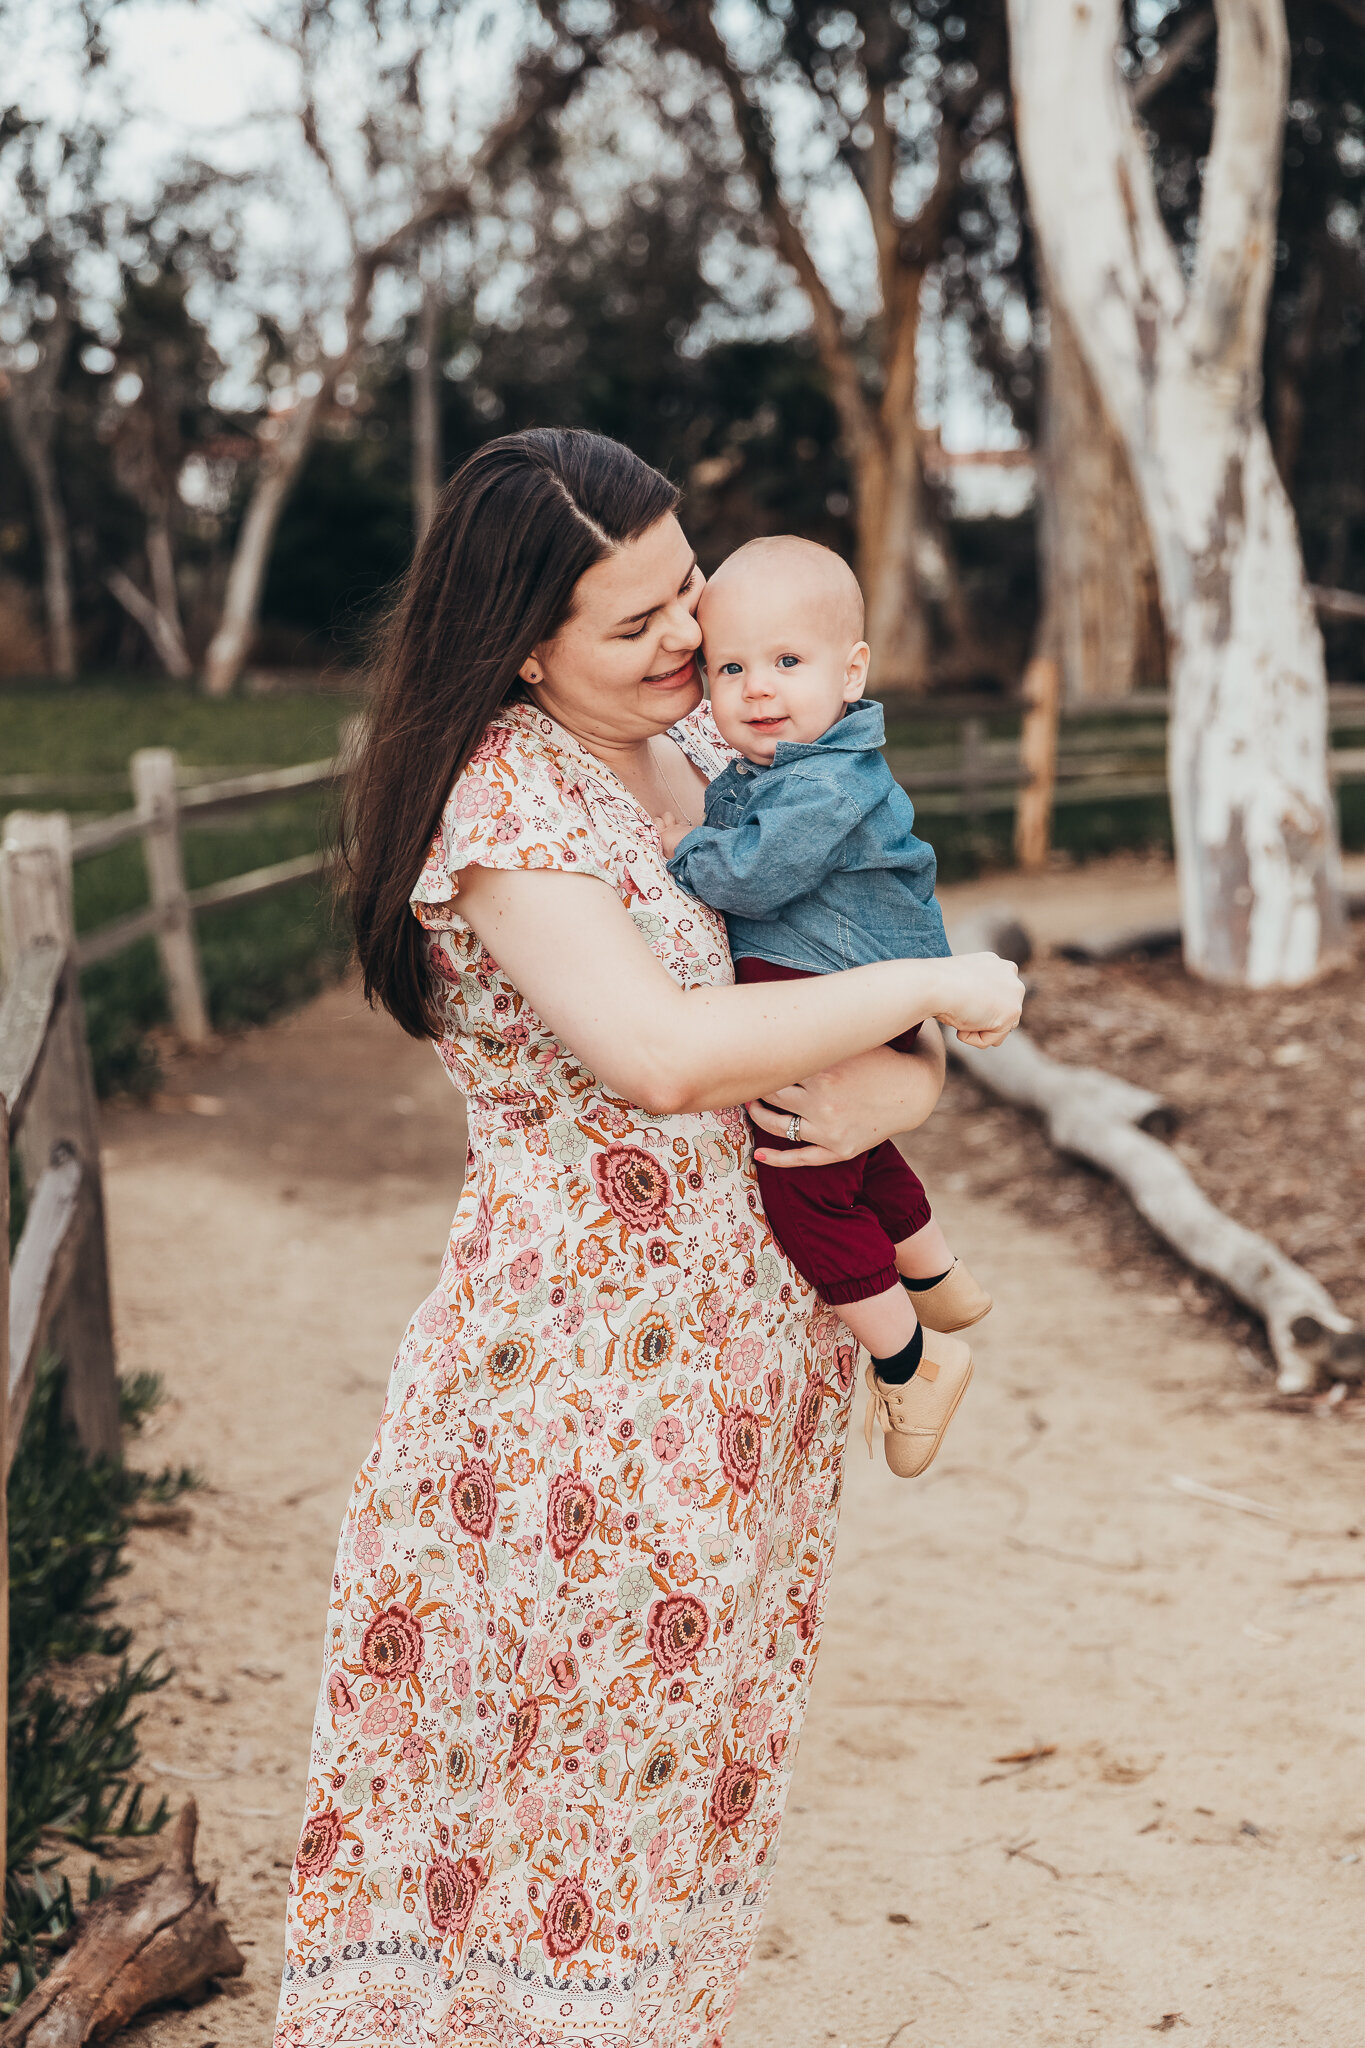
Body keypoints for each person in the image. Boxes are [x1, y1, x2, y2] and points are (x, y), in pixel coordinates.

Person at [275, 428, 1022, 2048]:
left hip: (749, 1385)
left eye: (689, 588)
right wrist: (930, 1002)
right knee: (562, 1829)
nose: (692, 639)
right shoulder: (504, 796)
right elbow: (665, 1051)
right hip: (587, 1410)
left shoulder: (707, 747)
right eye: (640, 623)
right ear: (522, 643)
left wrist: (905, 1081)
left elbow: (849, 952)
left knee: (680, 1809)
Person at [664, 536, 999, 1481]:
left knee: (797, 1176)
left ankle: (910, 1359)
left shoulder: (818, 777)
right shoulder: (801, 757)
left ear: (851, 671)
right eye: (729, 667)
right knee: (847, 1142)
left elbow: (761, 873)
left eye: (785, 662)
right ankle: (935, 1276)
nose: (756, 689)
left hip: (823, 974)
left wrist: (685, 848)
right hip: (853, 976)